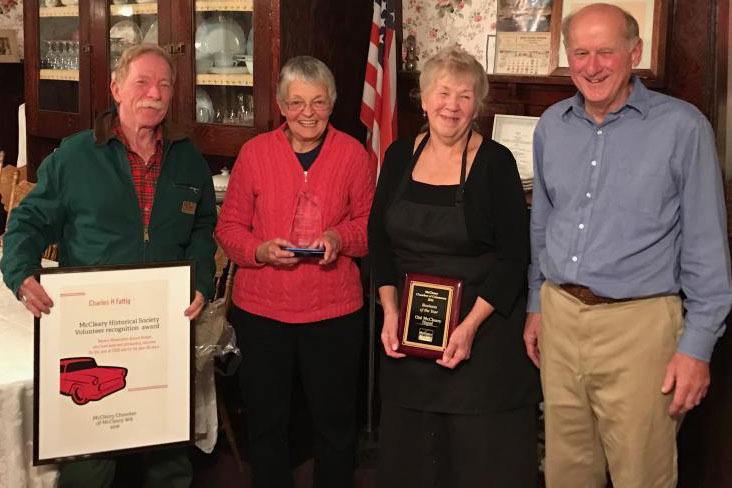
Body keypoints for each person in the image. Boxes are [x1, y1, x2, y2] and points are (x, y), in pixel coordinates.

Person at [523, 4, 732, 487]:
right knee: (565, 474)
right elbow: (543, 227)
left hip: (641, 328)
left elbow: (707, 250)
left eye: (605, 52)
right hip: (560, 320)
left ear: (634, 53)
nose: (591, 66)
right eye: (580, 53)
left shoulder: (684, 128)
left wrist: (697, 348)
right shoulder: (552, 126)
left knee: (643, 475)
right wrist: (537, 304)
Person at [1, 44, 216, 487]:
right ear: (116, 88)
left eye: (165, 84)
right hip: (94, 329)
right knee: (90, 463)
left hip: (161, 329)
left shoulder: (188, 158)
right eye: (142, 82)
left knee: (169, 458)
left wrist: (201, 279)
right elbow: (27, 220)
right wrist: (21, 275)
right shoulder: (75, 156)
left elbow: (201, 230)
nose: (154, 93)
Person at [368, 45, 541, 488]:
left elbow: (513, 258)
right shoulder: (399, 156)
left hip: (480, 346)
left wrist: (467, 328)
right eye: (443, 93)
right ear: (423, 99)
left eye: (465, 96)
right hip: (410, 342)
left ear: (477, 106)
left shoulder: (496, 163)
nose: (452, 105)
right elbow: (380, 244)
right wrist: (389, 311)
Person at [215, 55, 375, 488]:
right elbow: (228, 229)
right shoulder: (254, 153)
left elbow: (368, 228)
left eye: (319, 102)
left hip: (333, 313)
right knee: (267, 424)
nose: (308, 112)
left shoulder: (353, 155)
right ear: (282, 106)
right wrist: (260, 250)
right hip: (262, 313)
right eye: (297, 102)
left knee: (336, 425)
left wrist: (340, 239)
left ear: (333, 103)